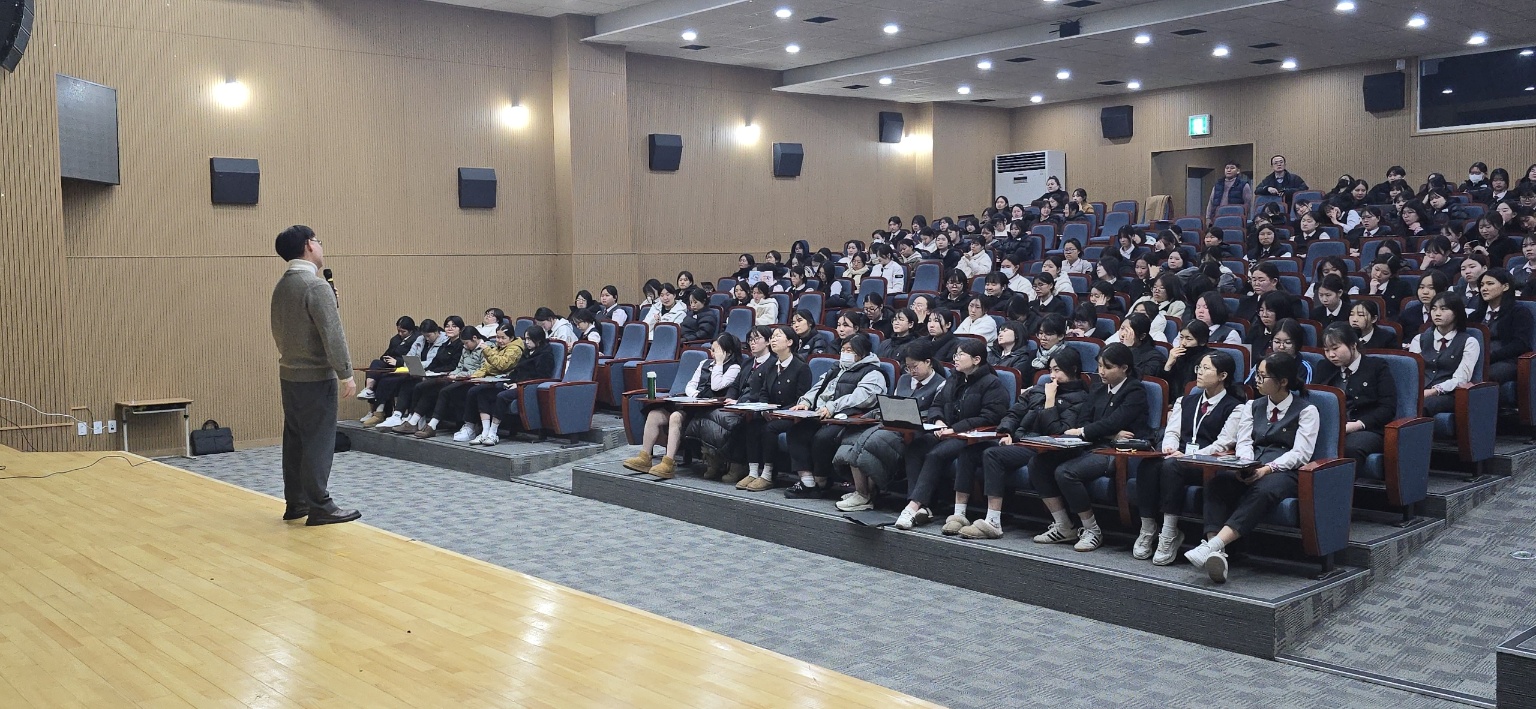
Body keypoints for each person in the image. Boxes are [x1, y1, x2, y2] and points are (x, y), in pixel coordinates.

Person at [1185, 352, 1318, 582]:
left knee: (1263, 490)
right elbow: (1244, 441)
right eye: (1257, 375)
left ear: (1282, 381)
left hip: (1284, 470)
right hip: (1252, 464)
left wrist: (1267, 469)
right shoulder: (1252, 406)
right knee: (1218, 483)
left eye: (1263, 376)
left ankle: (1212, 546)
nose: (1257, 380)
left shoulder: (1307, 410)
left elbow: (1301, 453)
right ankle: (1217, 553)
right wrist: (1246, 465)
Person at [270, 225, 361, 526]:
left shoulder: (283, 285)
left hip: (289, 373)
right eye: (318, 241)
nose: (321, 246)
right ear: (309, 245)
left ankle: (296, 502)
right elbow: (332, 334)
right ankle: (321, 505)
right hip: (315, 377)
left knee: (296, 440)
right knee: (319, 441)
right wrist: (346, 373)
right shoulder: (316, 286)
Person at [1026, 343, 1151, 551]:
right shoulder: (1098, 388)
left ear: (1124, 368)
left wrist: (1096, 431)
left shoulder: (1135, 390)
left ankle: (1092, 530)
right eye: (1099, 366)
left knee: (1066, 472)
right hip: (1092, 443)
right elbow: (1085, 421)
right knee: (1038, 463)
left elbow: (1114, 421)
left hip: (1116, 451)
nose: (1101, 371)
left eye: (1108, 367)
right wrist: (1105, 432)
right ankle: (1063, 525)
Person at [961, 348, 1091, 538]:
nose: (1052, 376)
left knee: (992, 455)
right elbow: (1014, 413)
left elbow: (1057, 431)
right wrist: (1007, 431)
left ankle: (993, 521)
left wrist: (1050, 401)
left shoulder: (1080, 398)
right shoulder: (1038, 389)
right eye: (1050, 370)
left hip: (1044, 447)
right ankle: (960, 514)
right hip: (1022, 440)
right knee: (972, 451)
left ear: (1073, 370)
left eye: (1057, 370)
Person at [1136, 350, 1247, 565]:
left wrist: (1188, 455)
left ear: (1222, 376)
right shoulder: (1185, 401)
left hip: (1206, 463)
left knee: (1171, 466)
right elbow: (1172, 432)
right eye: (1199, 368)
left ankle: (1169, 533)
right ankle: (1148, 528)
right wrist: (1169, 447)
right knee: (1148, 464)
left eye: (1206, 368)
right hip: (1178, 457)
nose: (1200, 373)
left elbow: (1223, 444)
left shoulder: (1235, 407)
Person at [894, 339, 1010, 530]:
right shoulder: (954, 378)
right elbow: (937, 404)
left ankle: (913, 507)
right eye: (955, 354)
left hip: (971, 436)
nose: (955, 358)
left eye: (960, 355)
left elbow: (991, 416)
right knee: (915, 447)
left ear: (976, 360)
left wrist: (955, 429)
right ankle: (922, 506)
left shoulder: (992, 383)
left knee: (936, 454)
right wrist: (938, 420)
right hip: (946, 430)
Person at [835, 341, 949, 511]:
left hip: (915, 431)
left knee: (873, 443)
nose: (911, 371)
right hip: (891, 423)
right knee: (853, 438)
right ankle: (862, 491)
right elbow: (893, 402)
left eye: (915, 366)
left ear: (928, 362)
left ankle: (865, 495)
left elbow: (935, 411)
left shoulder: (941, 383)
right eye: (908, 367)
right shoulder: (904, 379)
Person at [775, 334, 888, 498]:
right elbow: (819, 387)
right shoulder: (837, 368)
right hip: (822, 414)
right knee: (797, 431)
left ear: (862, 353)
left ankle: (821, 481)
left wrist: (833, 406)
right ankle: (807, 481)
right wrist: (806, 401)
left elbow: (863, 397)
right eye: (843, 349)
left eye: (850, 350)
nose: (845, 353)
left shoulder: (873, 373)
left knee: (822, 438)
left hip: (848, 418)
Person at [624, 333, 743, 479]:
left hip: (708, 410)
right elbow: (690, 385)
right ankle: (644, 457)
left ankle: (668, 462)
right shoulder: (704, 363)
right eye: (712, 350)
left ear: (728, 352)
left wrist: (719, 364)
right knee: (654, 414)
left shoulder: (734, 368)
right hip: (692, 403)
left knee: (675, 416)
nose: (712, 354)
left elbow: (717, 386)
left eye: (716, 350)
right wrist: (696, 395)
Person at [736, 326, 815, 491]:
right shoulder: (772, 366)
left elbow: (801, 399)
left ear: (789, 342)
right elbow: (764, 391)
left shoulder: (801, 368)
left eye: (778, 336)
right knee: (753, 423)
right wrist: (765, 408)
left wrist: (778, 413)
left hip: (792, 415)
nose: (773, 339)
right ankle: (753, 472)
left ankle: (768, 474)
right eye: (772, 337)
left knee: (769, 428)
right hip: (771, 412)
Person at [1312, 323, 1397, 465]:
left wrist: (1358, 425)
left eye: (1335, 348)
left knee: (1348, 448)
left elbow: (1387, 408)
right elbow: (1314, 400)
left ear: (1353, 345)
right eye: (1326, 350)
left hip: (1365, 428)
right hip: (1330, 426)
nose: (1331, 355)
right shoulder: (1324, 367)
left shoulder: (1376, 367)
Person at [474, 327, 556, 446]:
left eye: (529, 339)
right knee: (483, 393)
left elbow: (542, 376)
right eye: (525, 339)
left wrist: (518, 384)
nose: (526, 342)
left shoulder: (545, 355)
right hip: (516, 383)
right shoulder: (527, 352)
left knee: (502, 396)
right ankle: (485, 432)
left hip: (527, 387)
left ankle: (493, 433)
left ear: (538, 340)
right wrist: (509, 381)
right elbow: (517, 370)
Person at [375, 319, 462, 430]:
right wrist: (426, 370)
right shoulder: (441, 343)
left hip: (445, 375)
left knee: (421, 385)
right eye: (447, 326)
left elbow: (451, 365)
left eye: (454, 326)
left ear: (436, 332)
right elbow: (415, 358)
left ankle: (413, 418)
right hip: (429, 372)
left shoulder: (452, 343)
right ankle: (398, 415)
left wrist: (430, 371)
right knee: (407, 380)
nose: (426, 339)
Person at [395, 328, 483, 438]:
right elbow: (459, 366)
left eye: (466, 343)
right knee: (429, 388)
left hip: (472, 380)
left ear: (475, 338)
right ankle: (414, 420)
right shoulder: (465, 349)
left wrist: (460, 375)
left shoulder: (485, 348)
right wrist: (453, 374)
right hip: (458, 378)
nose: (465, 346)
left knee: (444, 391)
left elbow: (482, 369)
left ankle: (432, 425)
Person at [448, 324, 524, 442]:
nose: (499, 341)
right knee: (469, 389)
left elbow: (502, 365)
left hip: (505, 380)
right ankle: (477, 428)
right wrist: (474, 377)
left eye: (503, 338)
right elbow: (486, 367)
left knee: (476, 392)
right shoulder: (497, 348)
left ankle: (473, 427)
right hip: (491, 379)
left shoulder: (515, 349)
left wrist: (487, 350)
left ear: (511, 338)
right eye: (497, 337)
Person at [1408, 292, 1478, 416]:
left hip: (1449, 394)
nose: (1437, 313)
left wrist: (1434, 391)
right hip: (1419, 390)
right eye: (1434, 309)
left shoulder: (1469, 342)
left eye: (1443, 309)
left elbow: (1461, 379)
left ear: (1456, 313)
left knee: (1422, 405)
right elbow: (1412, 373)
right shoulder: (1419, 339)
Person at [1474, 268, 1534, 384]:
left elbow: (1520, 344)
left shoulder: (1519, 312)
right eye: (1482, 285)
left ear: (1505, 286)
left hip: (1505, 360)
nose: (1484, 288)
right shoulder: (1476, 315)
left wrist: (1490, 357)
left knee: (1485, 375)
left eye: (1490, 284)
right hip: (1476, 359)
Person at [357, 316, 420, 421]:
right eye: (398, 331)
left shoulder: (417, 340)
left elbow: (415, 363)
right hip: (391, 366)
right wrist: (385, 359)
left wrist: (398, 362)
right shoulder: (395, 339)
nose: (400, 334)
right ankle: (369, 390)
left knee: (384, 378)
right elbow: (386, 354)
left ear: (411, 330)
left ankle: (379, 411)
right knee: (375, 366)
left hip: (405, 369)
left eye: (403, 332)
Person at [1399, 270, 1450, 336]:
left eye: (1431, 288)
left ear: (1443, 290)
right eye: (1421, 287)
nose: (1425, 292)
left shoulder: (1450, 315)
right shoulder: (1407, 315)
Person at [1118, 313, 1167, 380]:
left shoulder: (1154, 358)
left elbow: (1139, 378)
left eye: (1128, 332)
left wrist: (1129, 349)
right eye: (1122, 328)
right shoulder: (1116, 347)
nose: (1122, 334)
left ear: (1142, 336)